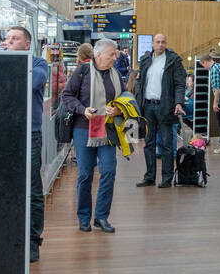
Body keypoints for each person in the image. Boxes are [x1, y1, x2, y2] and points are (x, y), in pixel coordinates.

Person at [56, 38, 123, 233]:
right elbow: (67, 96)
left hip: (108, 129)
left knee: (109, 171)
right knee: (85, 174)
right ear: (99, 55)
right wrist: (82, 109)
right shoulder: (82, 72)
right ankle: (84, 217)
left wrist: (118, 109)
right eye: (112, 54)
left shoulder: (116, 74)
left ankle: (101, 217)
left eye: (116, 53)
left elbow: (125, 96)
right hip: (84, 128)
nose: (115, 57)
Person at [4, 26, 50, 262]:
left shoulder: (39, 64)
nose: (9, 41)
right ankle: (8, 235)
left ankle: (33, 240)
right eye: (8, 38)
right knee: (5, 187)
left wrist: (10, 65)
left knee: (32, 188)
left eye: (15, 38)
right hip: (3, 133)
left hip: (29, 133)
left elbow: (32, 82)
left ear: (27, 44)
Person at [134, 32, 186, 189]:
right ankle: (149, 177)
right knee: (148, 143)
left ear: (166, 43)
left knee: (166, 144)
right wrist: (138, 100)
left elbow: (179, 84)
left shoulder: (173, 60)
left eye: (163, 42)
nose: (160, 45)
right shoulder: (145, 60)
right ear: (152, 44)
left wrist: (178, 102)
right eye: (157, 42)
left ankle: (166, 178)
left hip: (165, 106)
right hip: (147, 106)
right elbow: (140, 81)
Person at [201, 54, 220, 152]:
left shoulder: (213, 70)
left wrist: (215, 103)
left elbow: (218, 89)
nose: (204, 68)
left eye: (203, 65)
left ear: (205, 62)